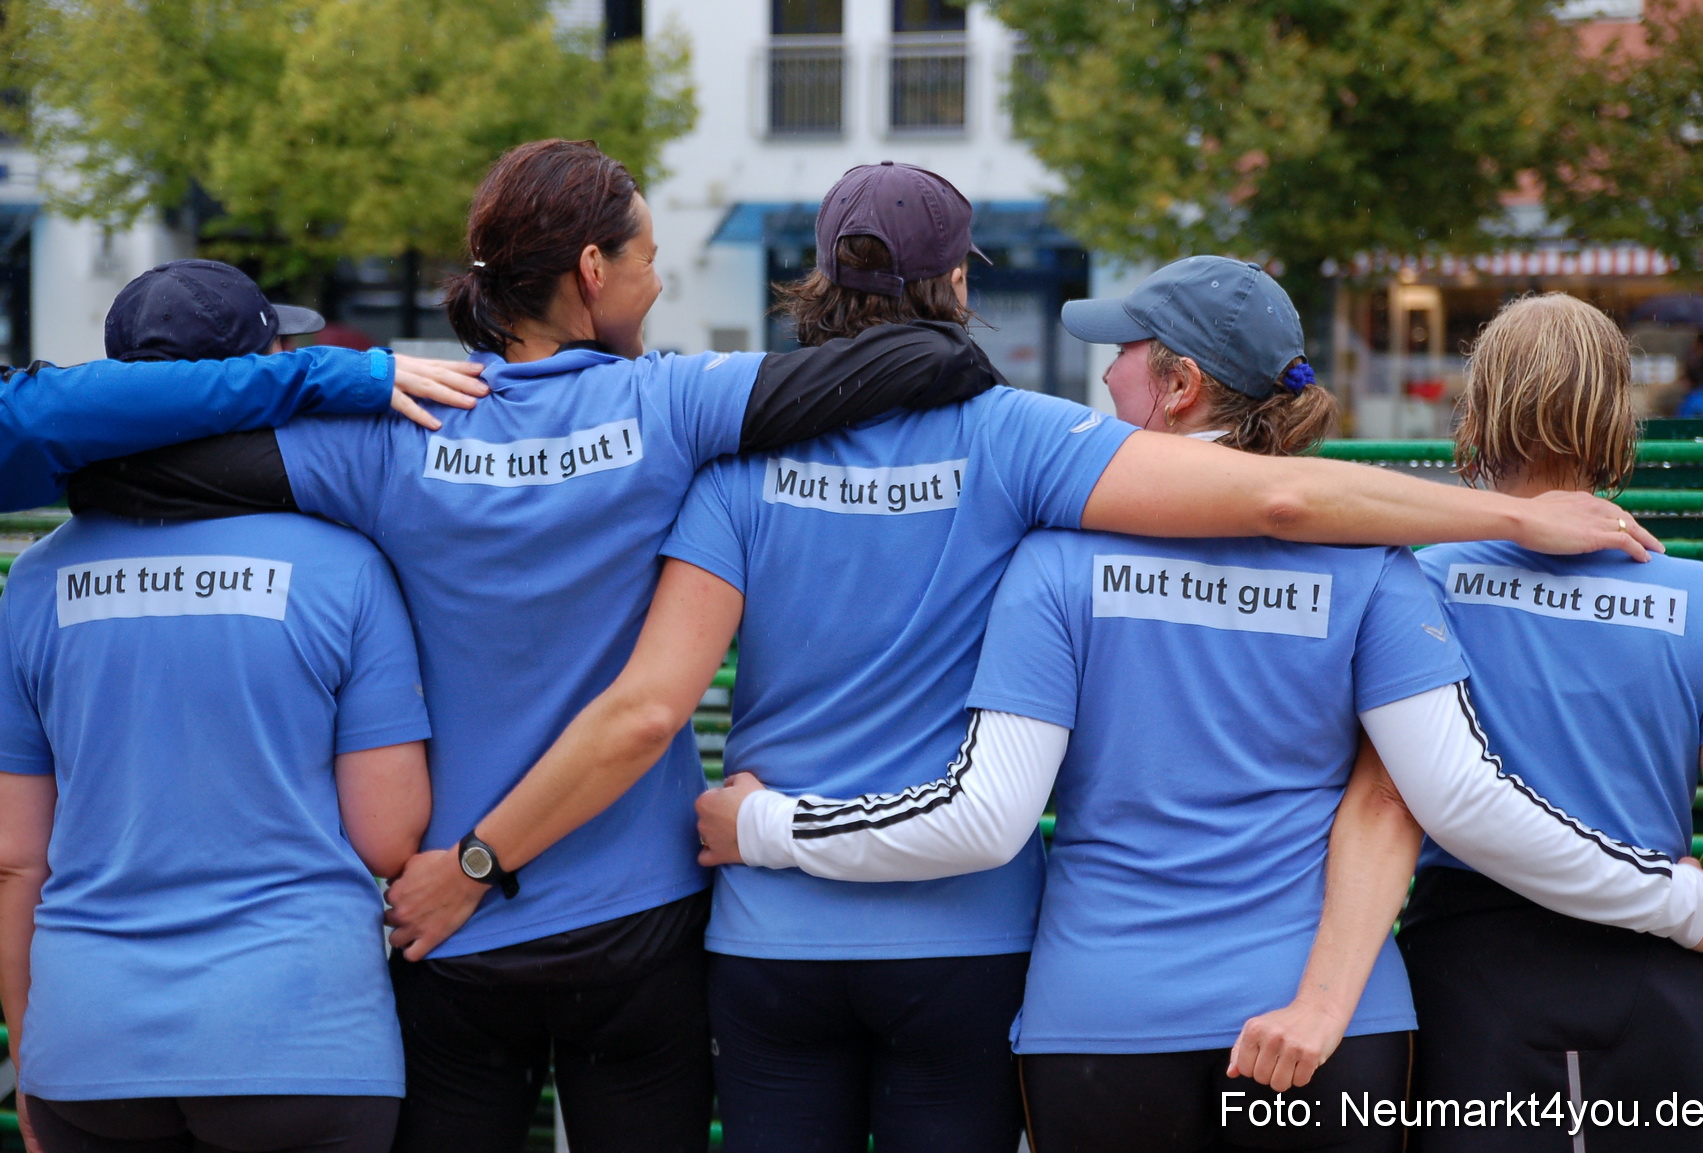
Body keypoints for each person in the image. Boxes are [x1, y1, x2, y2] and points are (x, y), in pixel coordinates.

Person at [377, 160, 1681, 1151]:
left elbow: (654, 702)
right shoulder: (1027, 454)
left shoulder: (744, 466)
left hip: (809, 944)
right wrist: (1511, 513)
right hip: (987, 948)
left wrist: (691, 835)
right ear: (956, 288)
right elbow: (1284, 515)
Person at [64, 140, 1017, 1153]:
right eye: (647, 257)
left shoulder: (396, 426)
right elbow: (908, 365)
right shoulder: (668, 402)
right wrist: (959, 340)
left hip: (445, 920)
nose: (660, 281)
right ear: (594, 273)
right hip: (639, 922)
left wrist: (339, 380)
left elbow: (126, 470)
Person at [678, 266, 1703, 1153]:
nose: (1102, 372)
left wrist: (767, 824)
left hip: (1103, 1020)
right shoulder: (1375, 566)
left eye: (1125, 353)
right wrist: (1684, 900)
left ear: (1179, 385)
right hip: (1331, 1024)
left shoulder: (1055, 562)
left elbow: (990, 809)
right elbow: (1434, 791)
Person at [0, 260, 435, 1153]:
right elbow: (388, 836)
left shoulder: (33, 580)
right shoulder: (347, 567)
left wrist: (32, 1055)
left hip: (89, 1042)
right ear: (254, 374)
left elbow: (15, 859)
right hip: (303, 1039)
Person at [1401, 295, 1703, 1152]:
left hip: (1465, 980)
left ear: (1479, 414)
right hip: (1666, 979)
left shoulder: (1417, 583)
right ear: (1617, 418)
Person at [0, 265, 487, 512]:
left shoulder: (35, 579)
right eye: (283, 344)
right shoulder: (344, 562)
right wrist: (325, 376)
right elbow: (41, 417)